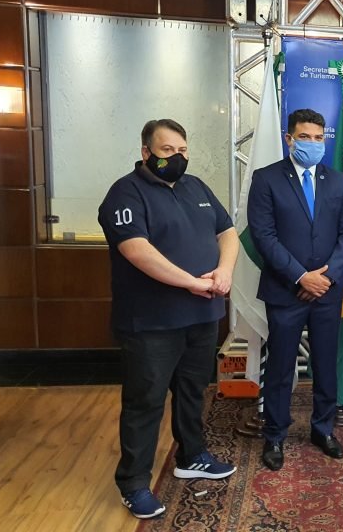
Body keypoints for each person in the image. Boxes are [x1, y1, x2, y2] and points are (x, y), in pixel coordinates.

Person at [98, 118, 238, 519]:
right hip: (151, 322)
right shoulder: (125, 193)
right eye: (166, 151)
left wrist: (224, 271)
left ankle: (192, 455)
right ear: (146, 152)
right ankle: (134, 483)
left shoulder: (196, 187)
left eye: (182, 150)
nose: (176, 157)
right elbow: (136, 250)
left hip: (202, 315)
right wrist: (191, 283)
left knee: (193, 391)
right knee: (145, 401)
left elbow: (227, 232)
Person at [248, 108, 343, 468]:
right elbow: (264, 236)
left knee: (326, 364)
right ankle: (275, 435)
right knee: (280, 367)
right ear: (289, 139)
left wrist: (325, 278)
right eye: (305, 137)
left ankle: (323, 429)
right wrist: (300, 276)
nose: (313, 143)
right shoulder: (266, 179)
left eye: (318, 137)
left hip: (327, 292)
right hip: (285, 291)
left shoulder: (338, 181)